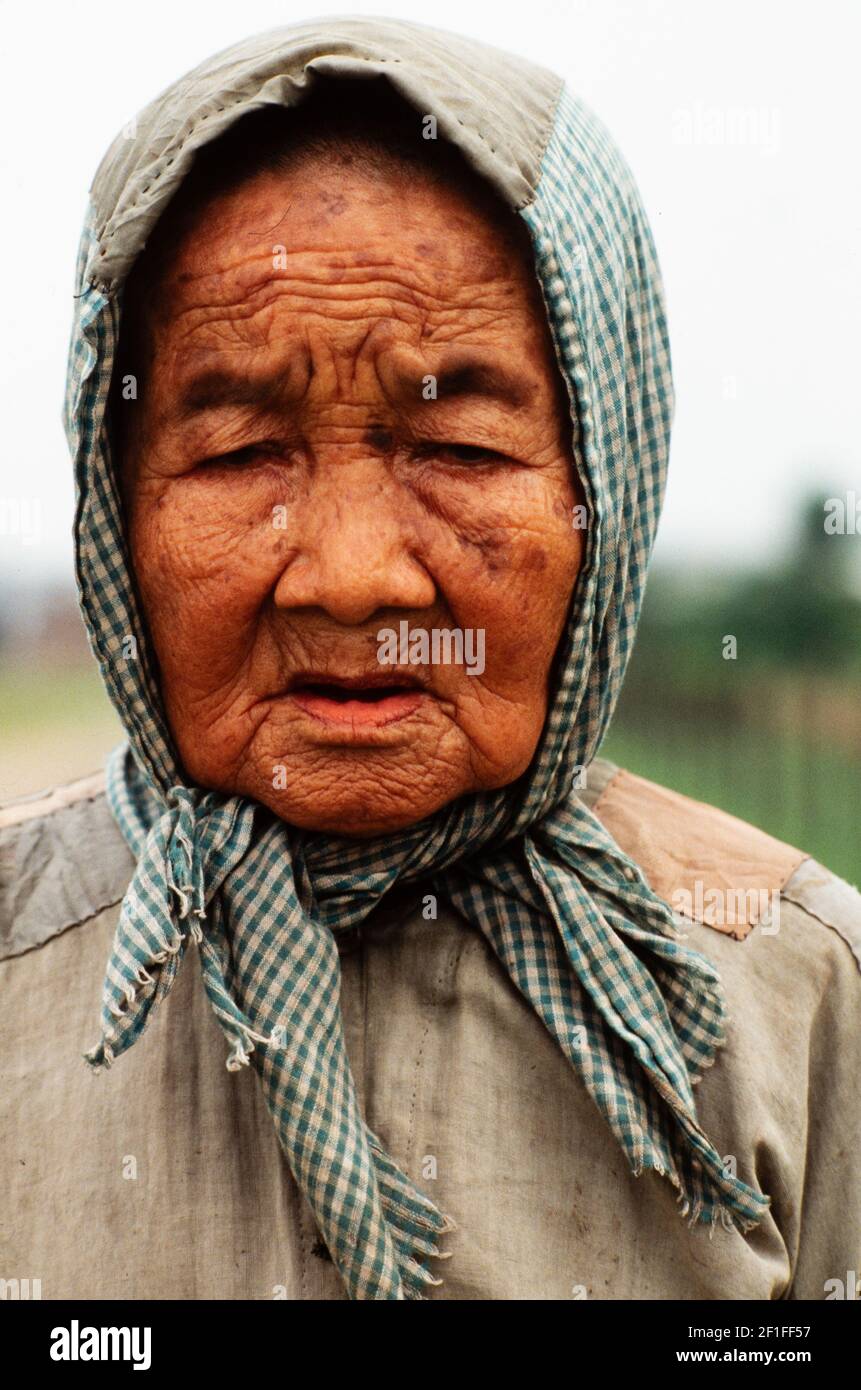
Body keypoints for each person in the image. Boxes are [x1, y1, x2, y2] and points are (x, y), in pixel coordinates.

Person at [1, 16, 858, 1302]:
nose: (352, 577)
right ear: (116, 509)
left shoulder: (810, 1006)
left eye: (456, 449)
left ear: (605, 489)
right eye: (241, 453)